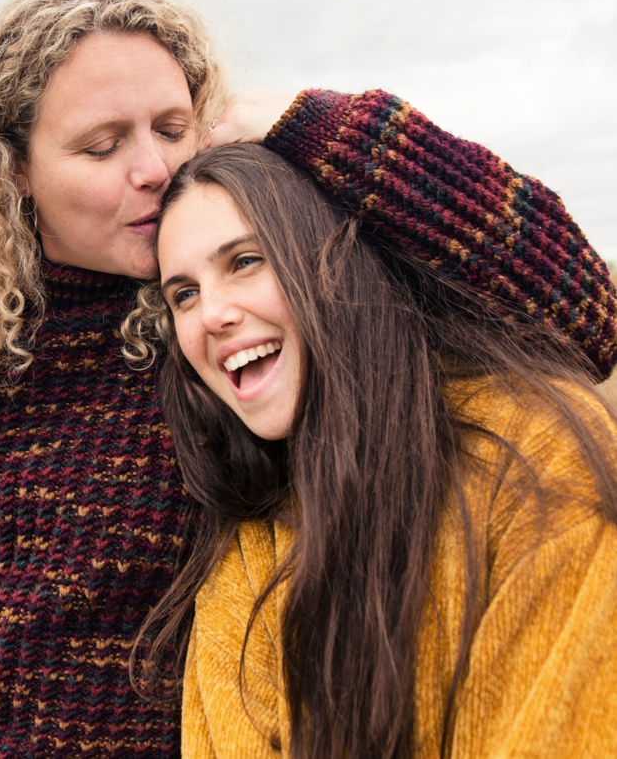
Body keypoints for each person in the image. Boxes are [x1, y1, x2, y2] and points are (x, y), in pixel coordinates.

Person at [0, 0, 617, 759]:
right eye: (102, 146)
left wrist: (321, 128)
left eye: (172, 127)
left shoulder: (245, 307)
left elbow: (588, 317)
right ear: (11, 168)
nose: (152, 167)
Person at [125, 131, 617, 758]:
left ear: (335, 259)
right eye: (184, 295)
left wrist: (321, 124)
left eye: (245, 261)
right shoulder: (247, 552)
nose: (212, 314)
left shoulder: (531, 451)